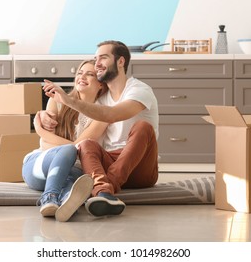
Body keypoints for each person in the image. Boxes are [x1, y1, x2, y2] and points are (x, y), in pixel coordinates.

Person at [43, 40, 159, 218]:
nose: (97, 64)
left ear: (120, 62)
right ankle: (103, 194)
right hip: (110, 161)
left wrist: (67, 100)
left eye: (103, 58)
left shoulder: (139, 90)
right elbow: (79, 133)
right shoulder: (101, 99)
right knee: (87, 144)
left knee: (143, 127)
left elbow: (112, 114)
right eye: (96, 59)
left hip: (140, 167)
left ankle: (104, 189)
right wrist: (41, 116)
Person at [22, 59, 108, 222]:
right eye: (80, 73)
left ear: (101, 85)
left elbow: (81, 146)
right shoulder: (56, 100)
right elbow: (47, 144)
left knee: (77, 182)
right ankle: (49, 198)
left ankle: (66, 203)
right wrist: (41, 131)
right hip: (38, 165)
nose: (82, 77)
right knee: (69, 150)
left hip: (72, 172)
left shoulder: (101, 114)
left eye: (90, 74)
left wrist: (41, 131)